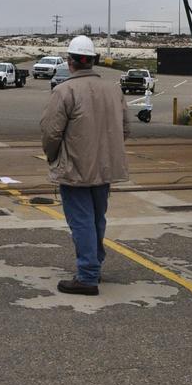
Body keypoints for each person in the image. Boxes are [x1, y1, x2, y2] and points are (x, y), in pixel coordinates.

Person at [39, 35, 130, 296]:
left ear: (70, 62)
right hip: (105, 169)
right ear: (93, 61)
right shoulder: (113, 89)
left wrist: (53, 157)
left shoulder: (64, 91)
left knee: (81, 221)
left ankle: (88, 275)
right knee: (96, 218)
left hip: (76, 169)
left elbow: (51, 133)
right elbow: (125, 129)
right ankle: (94, 266)